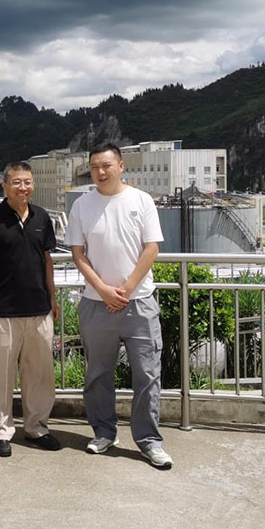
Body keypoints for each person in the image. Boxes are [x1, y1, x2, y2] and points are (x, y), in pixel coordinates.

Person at [64, 144, 173, 468]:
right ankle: (103, 432)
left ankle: (149, 441)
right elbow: (78, 254)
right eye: (94, 166)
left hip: (139, 303)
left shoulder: (141, 200)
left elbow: (151, 248)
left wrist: (125, 289)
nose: (100, 172)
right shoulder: (82, 205)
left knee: (147, 374)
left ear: (121, 166)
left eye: (106, 165)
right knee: (98, 374)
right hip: (96, 304)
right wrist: (102, 289)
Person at [0, 161, 60, 457]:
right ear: (5, 185)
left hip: (39, 309)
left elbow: (47, 261)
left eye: (28, 182)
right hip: (2, 310)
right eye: (17, 182)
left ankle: (37, 428)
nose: (23, 187)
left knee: (40, 374)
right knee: (1, 375)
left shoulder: (42, 217)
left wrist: (52, 299)